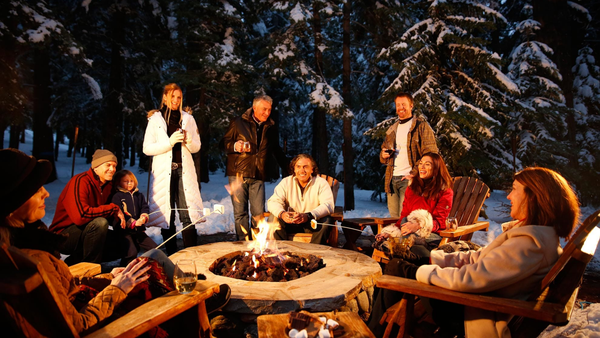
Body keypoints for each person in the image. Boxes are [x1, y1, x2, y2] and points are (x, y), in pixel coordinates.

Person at [0, 148, 231, 336]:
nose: (46, 194)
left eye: (114, 165)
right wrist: (117, 288)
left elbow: (60, 286)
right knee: (137, 252)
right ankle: (198, 304)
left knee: (144, 256)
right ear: (12, 205)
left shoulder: (21, 244)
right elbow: (77, 324)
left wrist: (108, 275)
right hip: (72, 242)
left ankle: (195, 297)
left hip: (85, 287)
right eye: (36, 189)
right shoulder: (34, 258)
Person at [368, 167, 580, 338]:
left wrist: (420, 272)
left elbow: (469, 279)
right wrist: (433, 258)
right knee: (412, 254)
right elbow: (478, 259)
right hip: (474, 301)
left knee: (397, 266)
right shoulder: (531, 237)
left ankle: (373, 331)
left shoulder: (531, 244)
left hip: (473, 312)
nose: (508, 196)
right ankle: (377, 327)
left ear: (533, 198)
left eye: (514, 189)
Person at [143, 83, 203, 255]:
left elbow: (196, 147)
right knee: (167, 215)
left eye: (179, 97)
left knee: (187, 214)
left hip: (184, 170)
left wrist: (189, 140)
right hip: (164, 172)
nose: (176, 100)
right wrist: (169, 143)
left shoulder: (188, 119)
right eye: (172, 97)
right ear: (164, 97)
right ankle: (172, 255)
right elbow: (147, 148)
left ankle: (191, 254)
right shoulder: (155, 120)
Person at [49, 149, 135, 266]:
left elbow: (112, 214)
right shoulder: (80, 181)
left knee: (125, 243)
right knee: (100, 223)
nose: (112, 169)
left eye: (114, 166)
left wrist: (129, 222)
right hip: (62, 236)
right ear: (96, 167)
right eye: (108, 165)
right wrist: (112, 209)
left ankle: (75, 262)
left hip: (89, 231)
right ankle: (89, 268)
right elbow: (81, 216)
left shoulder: (108, 186)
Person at [221, 94, 289, 240]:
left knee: (258, 213)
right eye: (264, 109)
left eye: (269, 110)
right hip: (238, 173)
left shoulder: (270, 127)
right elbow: (223, 143)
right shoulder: (238, 122)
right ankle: (243, 244)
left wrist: (289, 168)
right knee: (240, 213)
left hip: (258, 174)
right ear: (254, 107)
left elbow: (276, 150)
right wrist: (234, 145)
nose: (267, 113)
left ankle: (257, 245)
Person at [374, 152, 453, 258]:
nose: (422, 166)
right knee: (405, 221)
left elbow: (441, 222)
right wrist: (390, 234)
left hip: (432, 235)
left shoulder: (444, 191)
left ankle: (396, 246)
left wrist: (419, 225)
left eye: (427, 164)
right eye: (421, 163)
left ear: (436, 168)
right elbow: (404, 216)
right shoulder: (412, 188)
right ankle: (405, 249)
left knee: (411, 236)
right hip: (407, 233)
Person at [380, 92, 439, 218]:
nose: (401, 107)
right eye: (398, 105)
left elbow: (431, 153)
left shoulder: (421, 126)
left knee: (406, 219)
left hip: (410, 180)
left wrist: (414, 173)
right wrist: (383, 155)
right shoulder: (392, 129)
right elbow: (383, 152)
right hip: (392, 180)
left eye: (404, 104)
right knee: (393, 220)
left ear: (411, 106)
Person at [267, 154, 334, 245]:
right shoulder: (286, 182)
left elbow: (328, 204)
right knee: (273, 218)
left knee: (326, 221)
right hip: (290, 222)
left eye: (305, 167)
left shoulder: (321, 183)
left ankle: (314, 254)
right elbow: (273, 201)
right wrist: (282, 214)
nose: (302, 170)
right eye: (298, 167)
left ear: (312, 169)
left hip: (311, 223)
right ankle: (282, 252)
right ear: (294, 169)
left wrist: (309, 215)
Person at [110, 170, 157, 259]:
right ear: (119, 182)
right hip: (124, 231)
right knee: (131, 253)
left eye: (131, 181)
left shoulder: (138, 195)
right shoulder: (117, 196)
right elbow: (119, 212)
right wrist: (132, 222)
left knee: (154, 248)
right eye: (125, 181)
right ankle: (124, 269)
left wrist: (143, 217)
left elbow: (144, 207)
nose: (129, 184)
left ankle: (149, 266)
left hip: (138, 229)